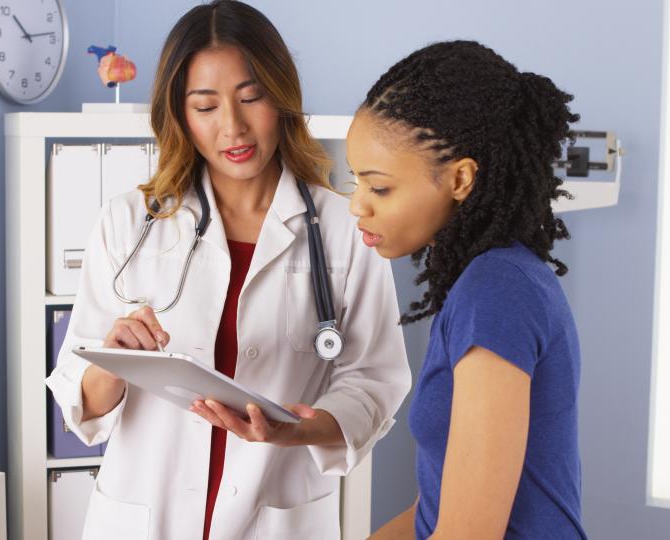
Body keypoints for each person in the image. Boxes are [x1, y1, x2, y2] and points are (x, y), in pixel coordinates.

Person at [45, 2, 410, 539]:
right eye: (206, 106)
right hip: (145, 517)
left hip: (277, 516)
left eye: (251, 97)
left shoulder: (344, 228)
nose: (233, 127)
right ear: (180, 114)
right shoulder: (128, 222)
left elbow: (374, 379)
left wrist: (295, 431)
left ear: (281, 97)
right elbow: (82, 403)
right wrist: (114, 361)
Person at [349, 41, 586, 539]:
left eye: (379, 187)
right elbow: (431, 513)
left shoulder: (496, 290)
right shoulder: (483, 282)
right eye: (356, 182)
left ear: (460, 179)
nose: (358, 205)